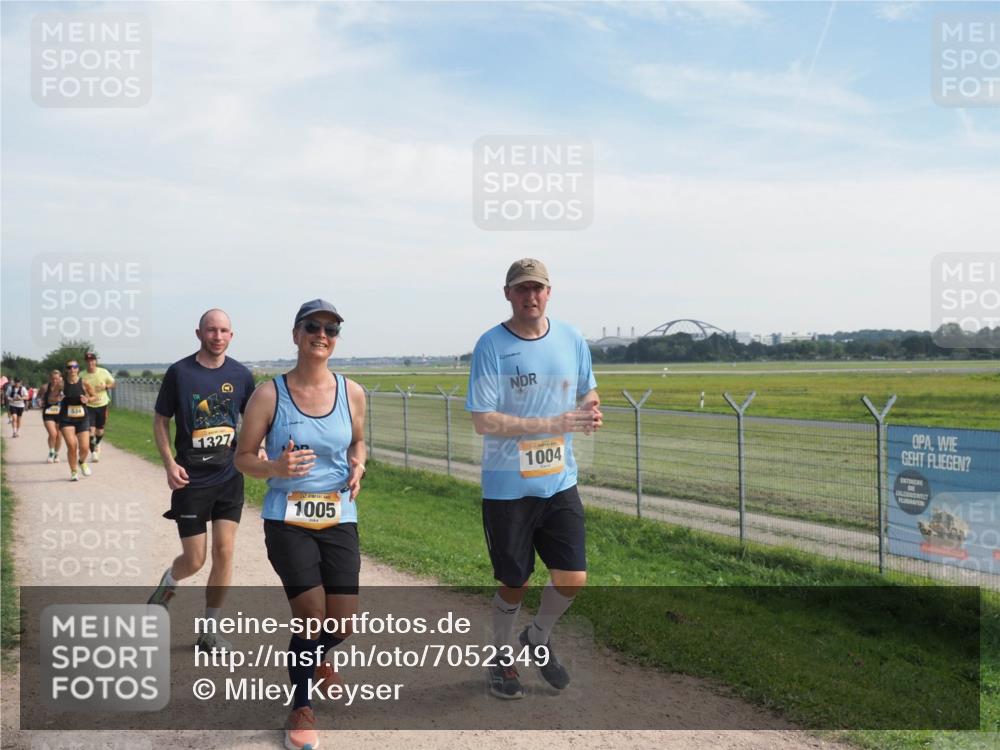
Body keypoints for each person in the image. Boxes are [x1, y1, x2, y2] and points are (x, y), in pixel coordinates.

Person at [465, 258, 603, 700]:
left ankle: (538, 636)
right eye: (522, 289)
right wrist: (551, 423)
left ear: (549, 292)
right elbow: (483, 419)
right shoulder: (492, 345)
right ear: (508, 294)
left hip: (559, 480)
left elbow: (588, 389)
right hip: (508, 488)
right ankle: (501, 656)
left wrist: (590, 409)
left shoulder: (571, 338)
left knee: (573, 576)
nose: (530, 296)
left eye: (537, 288)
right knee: (515, 582)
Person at [235, 299, 366, 750]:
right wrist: (275, 468)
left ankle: (315, 660)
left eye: (331, 329)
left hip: (339, 515)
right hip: (287, 518)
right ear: (296, 335)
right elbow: (243, 458)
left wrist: (359, 464)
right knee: (311, 614)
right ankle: (301, 707)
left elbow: (359, 442)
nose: (322, 335)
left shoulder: (352, 392)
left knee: (341, 624)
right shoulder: (269, 395)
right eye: (313, 326)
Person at [147, 309, 256, 654]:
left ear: (231, 335)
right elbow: (160, 420)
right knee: (194, 560)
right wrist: (169, 463)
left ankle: (209, 631)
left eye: (223, 330)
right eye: (211, 330)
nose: (217, 336)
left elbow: (254, 418)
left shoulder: (241, 375)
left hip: (229, 477)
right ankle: (167, 586)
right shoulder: (180, 373)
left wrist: (261, 447)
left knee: (225, 552)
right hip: (191, 481)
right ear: (199, 333)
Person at [59, 362, 97, 481]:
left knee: (85, 447)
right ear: (66, 370)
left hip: (82, 418)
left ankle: (81, 462)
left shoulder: (84, 383)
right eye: (69, 367)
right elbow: (51, 397)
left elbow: (95, 396)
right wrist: (57, 398)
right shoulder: (61, 384)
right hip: (66, 418)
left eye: (74, 367)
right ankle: (74, 471)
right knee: (72, 445)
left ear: (78, 369)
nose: (72, 369)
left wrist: (88, 399)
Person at [81, 352, 115, 462]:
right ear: (85, 362)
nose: (90, 362)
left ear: (95, 361)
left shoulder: (103, 372)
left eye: (92, 360)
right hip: (88, 405)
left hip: (102, 404)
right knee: (90, 430)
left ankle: (97, 442)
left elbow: (114, 384)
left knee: (100, 431)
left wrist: (106, 386)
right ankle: (94, 453)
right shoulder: (82, 375)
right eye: (88, 361)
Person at [39, 370, 64, 463]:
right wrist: (40, 401)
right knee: (53, 434)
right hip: (48, 413)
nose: (55, 381)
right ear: (50, 378)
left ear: (60, 378)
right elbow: (38, 397)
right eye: (53, 379)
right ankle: (51, 452)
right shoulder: (45, 387)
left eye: (57, 379)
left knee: (59, 436)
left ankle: (56, 453)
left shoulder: (63, 388)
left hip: (61, 414)